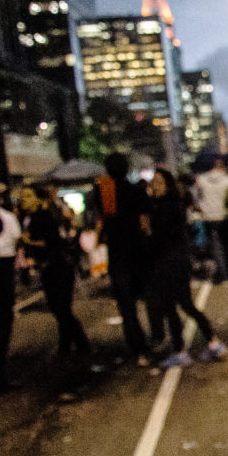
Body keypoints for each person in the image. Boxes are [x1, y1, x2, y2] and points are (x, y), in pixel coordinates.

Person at [143, 168, 227, 369]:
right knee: (184, 305)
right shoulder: (172, 205)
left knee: (174, 307)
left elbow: (160, 238)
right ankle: (211, 343)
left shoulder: (165, 207)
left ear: (168, 185)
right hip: (177, 262)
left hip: (169, 263)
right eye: (153, 182)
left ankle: (183, 350)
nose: (154, 186)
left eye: (159, 183)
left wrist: (147, 230)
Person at [18, 184, 92, 367]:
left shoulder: (45, 216)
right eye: (22, 197)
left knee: (61, 307)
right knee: (58, 307)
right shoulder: (29, 218)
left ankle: (76, 343)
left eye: (27, 196)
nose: (23, 200)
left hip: (59, 267)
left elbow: (51, 242)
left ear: (37, 197)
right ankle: (71, 343)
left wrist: (28, 241)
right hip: (48, 269)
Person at [93, 152, 152, 365]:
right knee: (150, 297)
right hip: (138, 252)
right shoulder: (137, 191)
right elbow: (145, 224)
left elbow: (101, 221)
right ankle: (158, 336)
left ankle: (138, 347)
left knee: (127, 307)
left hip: (118, 255)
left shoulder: (103, 193)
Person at [0, 184, 21, 392]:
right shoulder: (7, 218)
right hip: (2, 271)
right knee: (3, 322)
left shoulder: (7, 217)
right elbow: (15, 239)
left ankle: (0, 371)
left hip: (3, 271)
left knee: (3, 321)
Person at [192, 156, 228, 284]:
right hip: (224, 216)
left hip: (208, 216)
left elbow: (195, 196)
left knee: (215, 246)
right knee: (226, 245)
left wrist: (201, 206)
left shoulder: (202, 179)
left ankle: (222, 272)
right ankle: (227, 271)